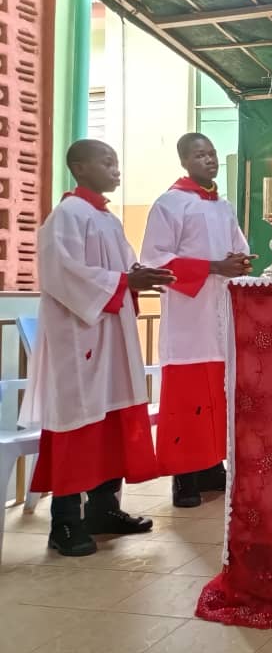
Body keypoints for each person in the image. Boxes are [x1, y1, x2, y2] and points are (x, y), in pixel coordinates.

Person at [20, 139, 175, 556]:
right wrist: (125, 282)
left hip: (111, 333)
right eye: (106, 162)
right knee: (79, 424)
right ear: (79, 168)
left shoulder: (106, 219)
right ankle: (65, 523)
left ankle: (104, 509)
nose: (115, 169)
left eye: (116, 162)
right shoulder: (66, 215)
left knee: (113, 419)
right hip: (79, 337)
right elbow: (60, 273)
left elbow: (123, 267)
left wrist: (141, 274)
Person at [140, 133, 253, 508]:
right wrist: (212, 267)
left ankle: (210, 466)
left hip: (220, 313)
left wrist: (239, 261)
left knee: (218, 392)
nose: (209, 160)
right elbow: (154, 261)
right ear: (184, 161)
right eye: (200, 155)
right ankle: (183, 477)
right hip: (188, 319)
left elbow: (239, 246)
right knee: (187, 396)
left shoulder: (223, 206)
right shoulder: (170, 204)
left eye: (213, 153)